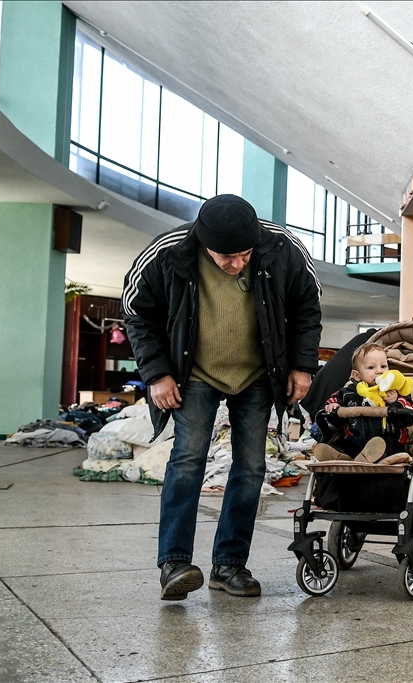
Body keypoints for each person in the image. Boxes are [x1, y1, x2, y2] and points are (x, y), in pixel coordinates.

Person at [122, 194, 322, 601]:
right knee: (188, 459)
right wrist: (157, 374)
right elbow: (136, 311)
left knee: (251, 468)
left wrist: (303, 367)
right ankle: (174, 563)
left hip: (257, 374)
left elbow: (307, 305)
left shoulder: (282, 246)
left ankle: (230, 565)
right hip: (193, 372)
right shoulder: (167, 252)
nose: (237, 265)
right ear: (203, 242)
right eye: (226, 257)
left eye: (245, 255)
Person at [313, 342, 413, 463]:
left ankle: (373, 456)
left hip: (387, 440)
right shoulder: (348, 393)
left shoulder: (397, 393)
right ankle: (338, 455)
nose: (379, 371)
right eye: (371, 367)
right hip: (354, 441)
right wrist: (333, 407)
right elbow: (334, 408)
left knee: (386, 446)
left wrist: (394, 403)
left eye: (383, 366)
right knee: (341, 444)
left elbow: (410, 417)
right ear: (357, 375)